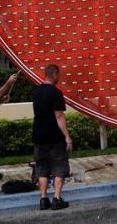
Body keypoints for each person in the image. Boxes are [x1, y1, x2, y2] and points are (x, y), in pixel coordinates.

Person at [33, 64, 72, 211]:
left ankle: (43, 199)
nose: (59, 78)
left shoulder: (36, 92)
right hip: (54, 136)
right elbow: (59, 116)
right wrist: (67, 136)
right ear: (54, 74)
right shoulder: (56, 93)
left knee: (42, 167)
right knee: (59, 167)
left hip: (38, 136)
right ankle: (56, 198)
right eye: (58, 75)